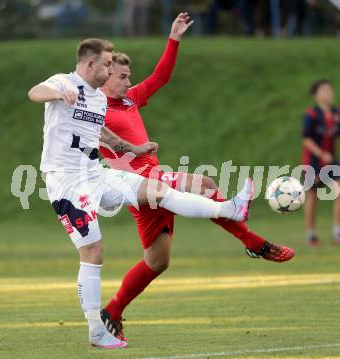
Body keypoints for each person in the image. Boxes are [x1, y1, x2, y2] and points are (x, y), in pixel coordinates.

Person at [28, 37, 254, 349]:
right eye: (107, 64)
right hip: (66, 183)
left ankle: (229, 209)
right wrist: (58, 93)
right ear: (90, 63)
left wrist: (133, 148)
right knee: (93, 253)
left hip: (95, 174)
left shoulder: (96, 98)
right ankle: (96, 329)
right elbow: (34, 92)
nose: (110, 70)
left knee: (158, 191)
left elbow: (102, 133)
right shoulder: (64, 82)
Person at [99, 12, 295, 341]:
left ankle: (113, 311)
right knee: (205, 186)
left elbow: (160, 77)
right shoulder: (95, 107)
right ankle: (252, 242)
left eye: (129, 75)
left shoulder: (130, 99)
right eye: (122, 76)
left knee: (158, 261)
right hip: (140, 181)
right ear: (105, 76)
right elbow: (96, 138)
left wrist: (173, 38)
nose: (128, 81)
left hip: (150, 183)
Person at [302, 79, 340, 246]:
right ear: (316, 95)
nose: (329, 93)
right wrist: (320, 153)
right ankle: (311, 235)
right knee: (312, 197)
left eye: (330, 90)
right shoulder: (311, 115)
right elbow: (306, 140)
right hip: (313, 161)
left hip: (331, 161)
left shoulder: (338, 113)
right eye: (324, 91)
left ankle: (338, 233)